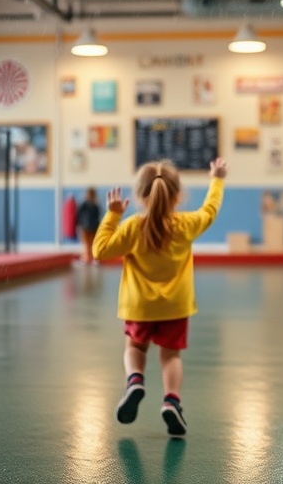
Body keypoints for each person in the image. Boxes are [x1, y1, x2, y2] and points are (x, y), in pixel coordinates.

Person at [93, 157, 227, 437]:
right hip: (175, 307)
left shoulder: (132, 227)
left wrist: (113, 215)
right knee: (170, 357)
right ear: (177, 195)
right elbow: (210, 210)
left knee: (134, 348)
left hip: (139, 306)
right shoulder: (186, 224)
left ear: (141, 196)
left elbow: (100, 250)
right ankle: (171, 401)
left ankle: (135, 381)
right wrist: (217, 179)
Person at [76, 187, 101, 264]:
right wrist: (79, 225)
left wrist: (98, 226)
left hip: (93, 227)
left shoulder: (95, 206)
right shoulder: (84, 205)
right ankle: (87, 258)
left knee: (93, 244)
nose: (90, 196)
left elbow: (97, 217)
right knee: (86, 244)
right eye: (88, 194)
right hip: (85, 227)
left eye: (91, 194)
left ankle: (94, 258)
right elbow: (79, 215)